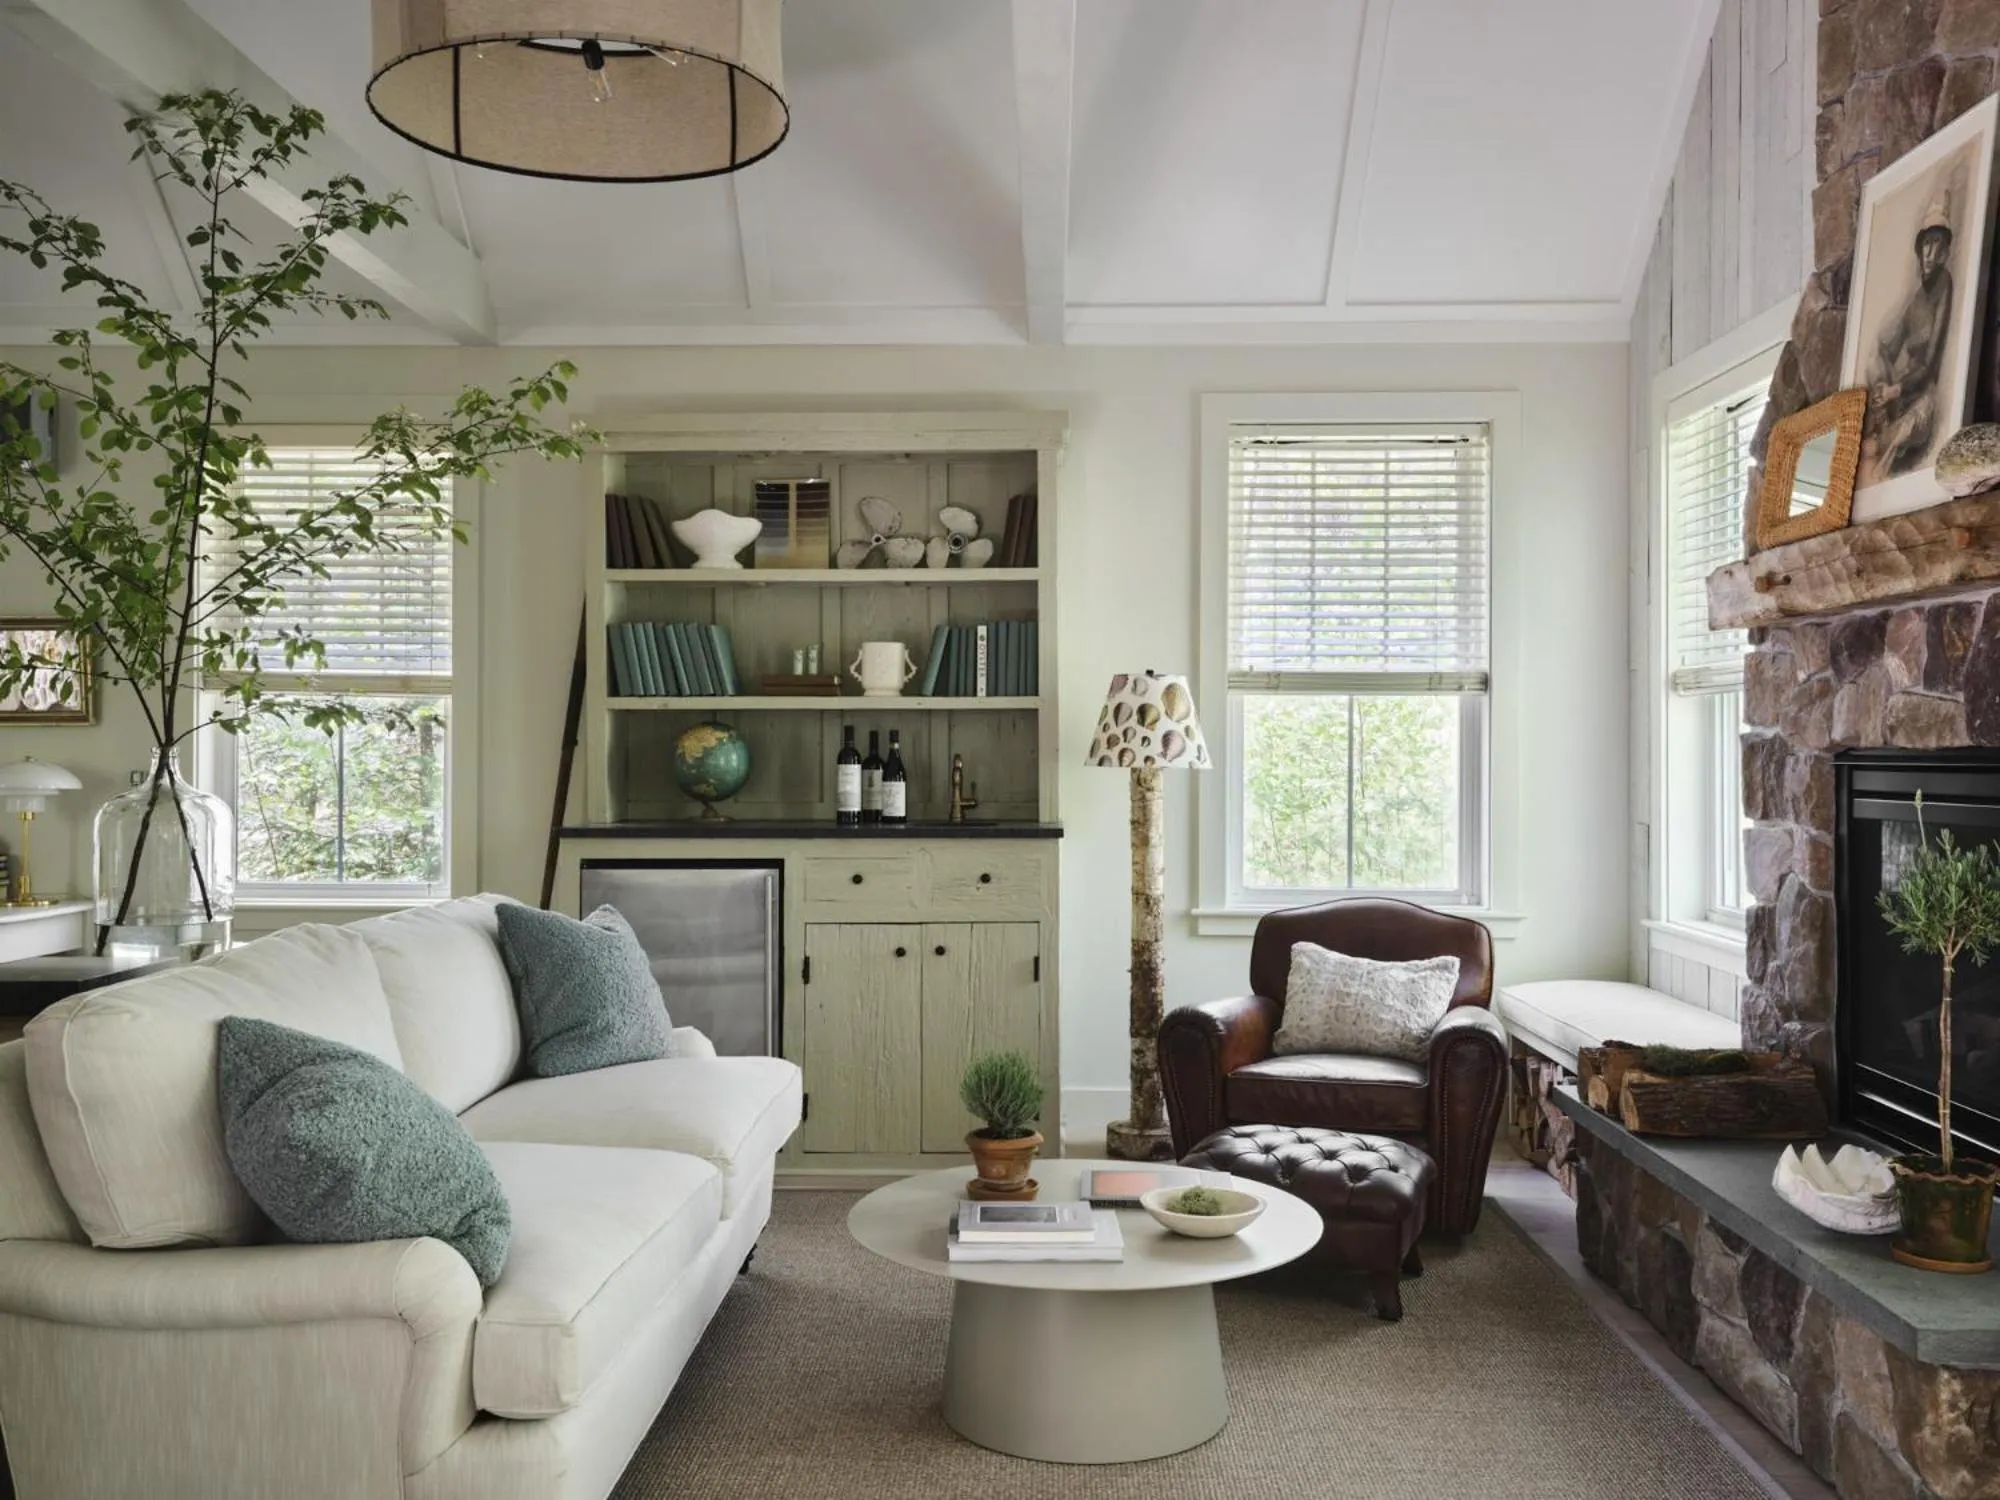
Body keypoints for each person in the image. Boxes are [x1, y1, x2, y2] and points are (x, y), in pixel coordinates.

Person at [1865, 184, 1957, 483]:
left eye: (1938, 245)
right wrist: (1881, 380)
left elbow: (1929, 364)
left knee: (1909, 426)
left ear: (1945, 251)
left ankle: (1884, 463)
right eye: (1927, 245)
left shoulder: (1945, 287)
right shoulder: (1916, 297)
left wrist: (1896, 390)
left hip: (1921, 393)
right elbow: (1891, 345)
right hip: (1902, 390)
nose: (1931, 254)